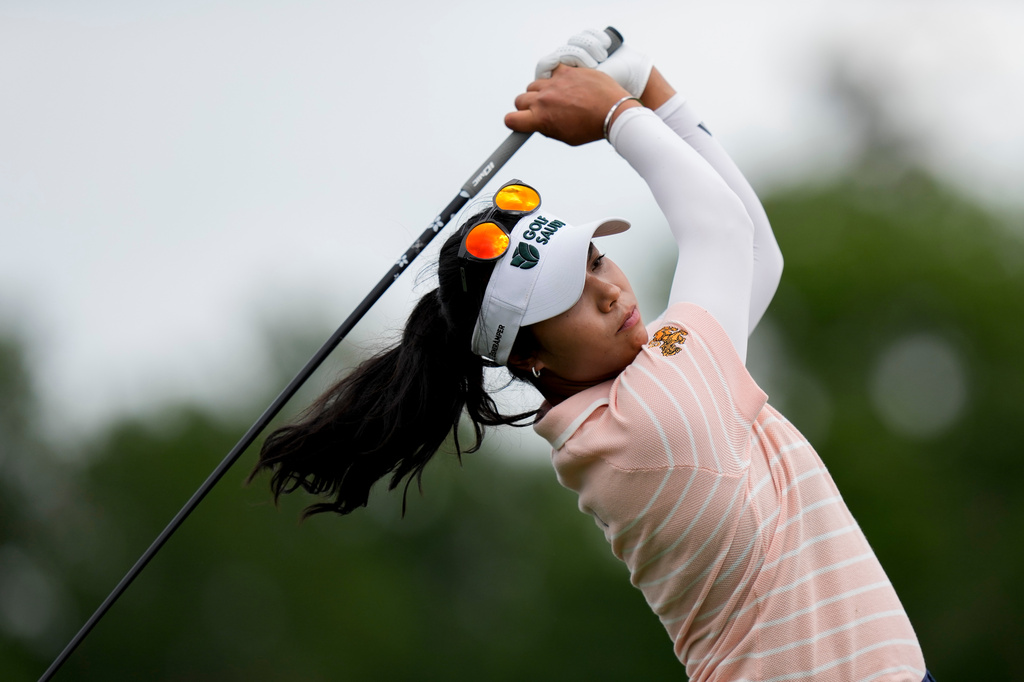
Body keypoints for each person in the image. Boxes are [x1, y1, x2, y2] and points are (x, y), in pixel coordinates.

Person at [249, 29, 932, 682]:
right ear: (530, 360)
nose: (609, 291)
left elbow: (755, 252)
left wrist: (642, 83)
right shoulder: (655, 420)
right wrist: (616, 112)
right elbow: (722, 231)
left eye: (596, 259)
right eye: (569, 296)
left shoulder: (635, 403)